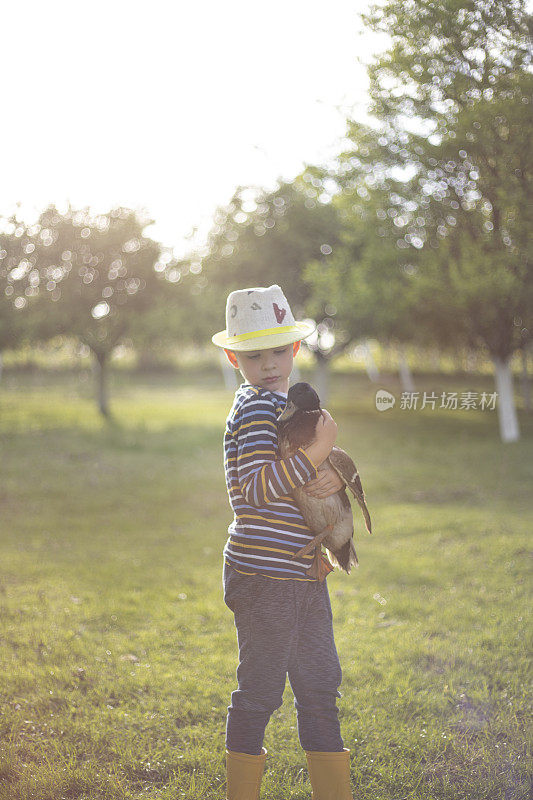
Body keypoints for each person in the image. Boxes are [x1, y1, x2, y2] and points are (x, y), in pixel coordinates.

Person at [211, 284, 354, 800]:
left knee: (319, 685)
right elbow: (250, 493)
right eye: (254, 354)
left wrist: (329, 475)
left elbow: (300, 486)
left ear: (294, 349)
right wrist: (318, 452)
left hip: (299, 574)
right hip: (263, 578)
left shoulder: (284, 407)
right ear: (234, 358)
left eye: (277, 350)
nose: (269, 363)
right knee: (261, 692)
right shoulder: (252, 409)